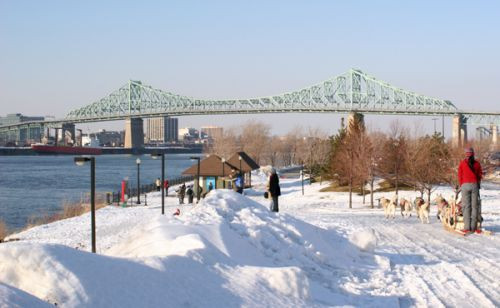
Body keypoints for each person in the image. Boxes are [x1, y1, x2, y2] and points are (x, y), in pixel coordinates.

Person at [458, 147, 483, 234]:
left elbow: (459, 175)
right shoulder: (477, 163)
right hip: (474, 185)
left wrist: (462, 184)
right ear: (473, 154)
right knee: (474, 206)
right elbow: (480, 175)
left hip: (465, 185)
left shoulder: (462, 163)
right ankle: (474, 227)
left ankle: (467, 227)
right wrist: (477, 183)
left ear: (466, 154)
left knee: (466, 207)